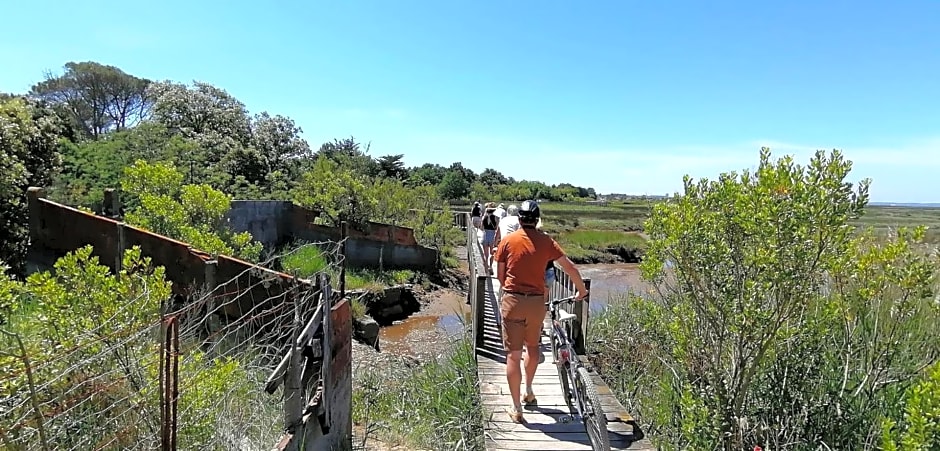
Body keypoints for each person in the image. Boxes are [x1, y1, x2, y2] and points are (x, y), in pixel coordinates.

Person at [493, 200, 588, 423]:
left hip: (513, 301)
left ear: (519, 219)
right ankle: (529, 390)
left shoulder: (507, 241)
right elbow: (570, 267)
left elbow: (500, 276)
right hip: (537, 303)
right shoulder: (546, 242)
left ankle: (517, 408)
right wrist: (581, 290)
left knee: (513, 355)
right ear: (537, 220)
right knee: (533, 347)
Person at [480, 203, 500, 273]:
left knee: (486, 255)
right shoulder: (496, 218)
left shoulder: (484, 217)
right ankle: (490, 267)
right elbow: (497, 228)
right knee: (492, 253)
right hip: (492, 235)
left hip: (485, 234)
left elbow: (481, 228)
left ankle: (485, 268)